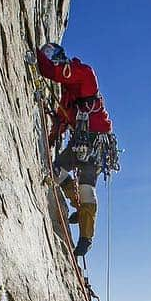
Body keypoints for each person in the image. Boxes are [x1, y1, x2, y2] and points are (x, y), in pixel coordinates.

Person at [34, 41, 113, 257]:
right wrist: (51, 138)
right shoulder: (68, 95)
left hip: (93, 141)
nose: (56, 62)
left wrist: (38, 54)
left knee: (79, 183)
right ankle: (80, 209)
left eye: (56, 58)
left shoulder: (84, 72)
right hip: (84, 141)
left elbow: (51, 71)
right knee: (64, 176)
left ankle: (86, 236)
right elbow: (62, 119)